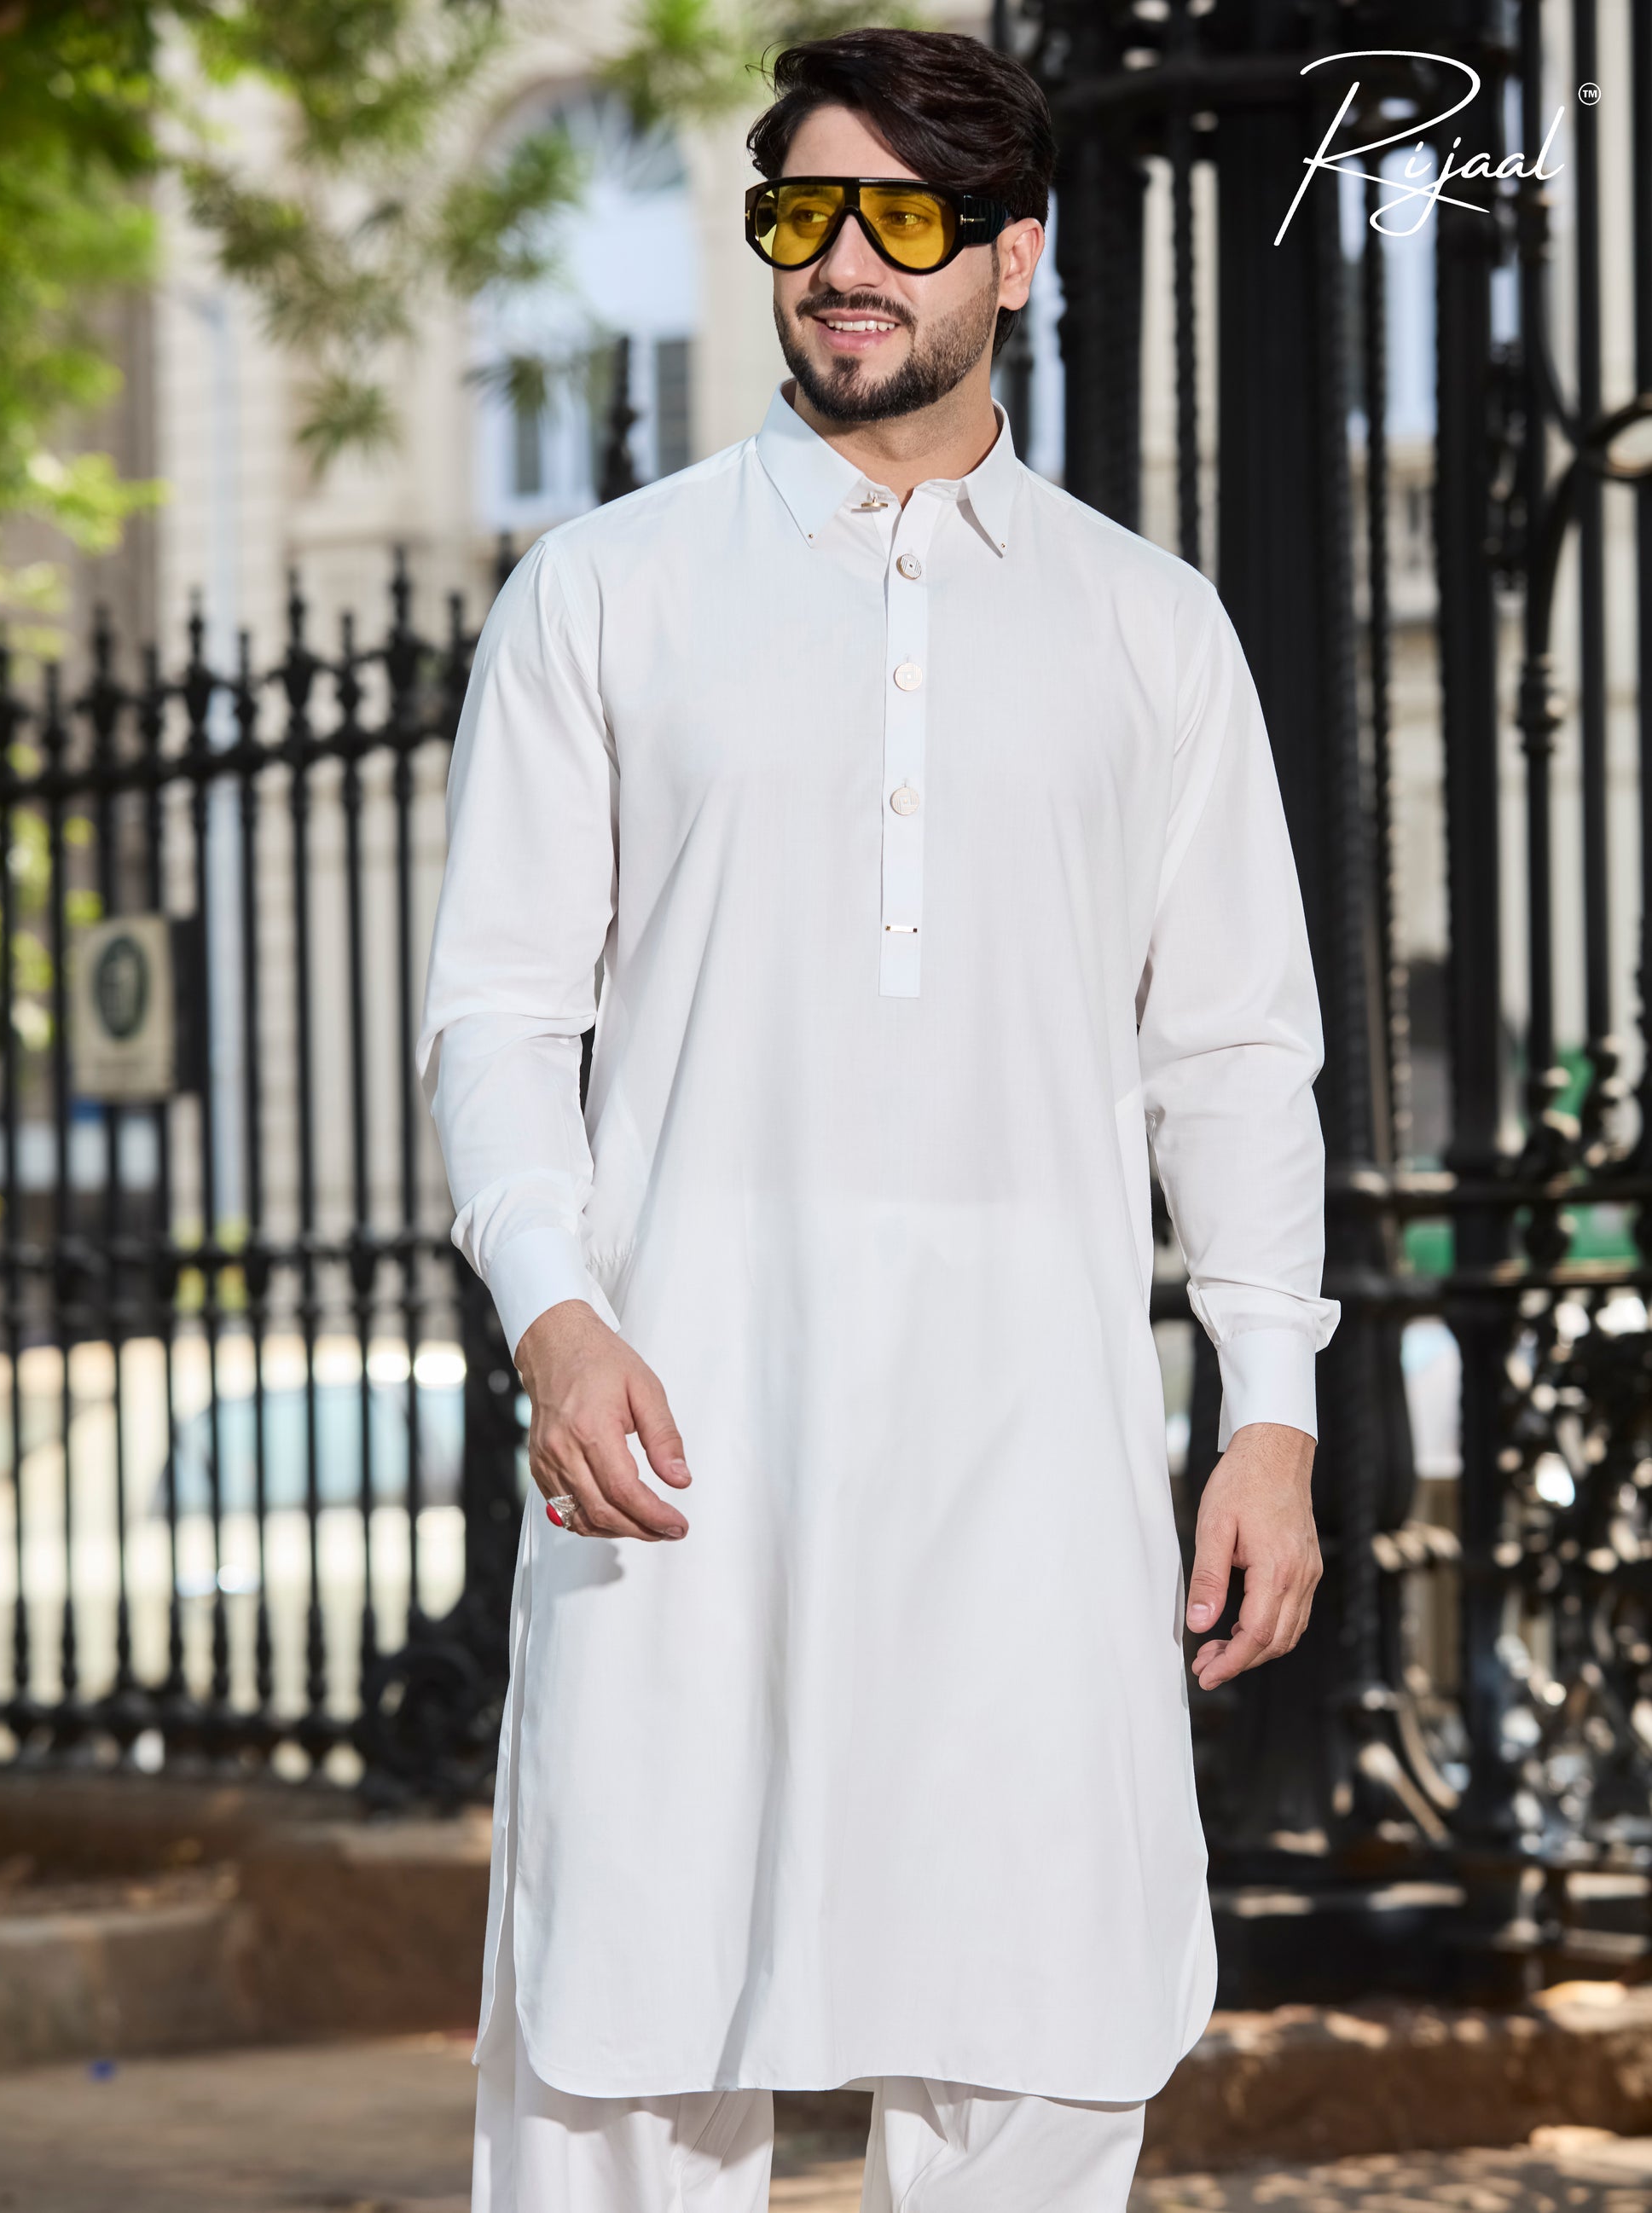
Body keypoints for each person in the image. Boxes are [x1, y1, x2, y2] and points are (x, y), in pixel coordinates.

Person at [418, 26, 1338, 2212]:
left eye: (904, 220)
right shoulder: (604, 592)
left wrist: (1272, 1416)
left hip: (1034, 1466)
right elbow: (497, 1011)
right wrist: (553, 1308)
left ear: (1013, 255)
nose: (844, 263)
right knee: (622, 2036)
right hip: (679, 1447)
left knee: (1040, 2023)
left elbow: (1231, 1053)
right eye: (803, 214)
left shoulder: (1148, 629)